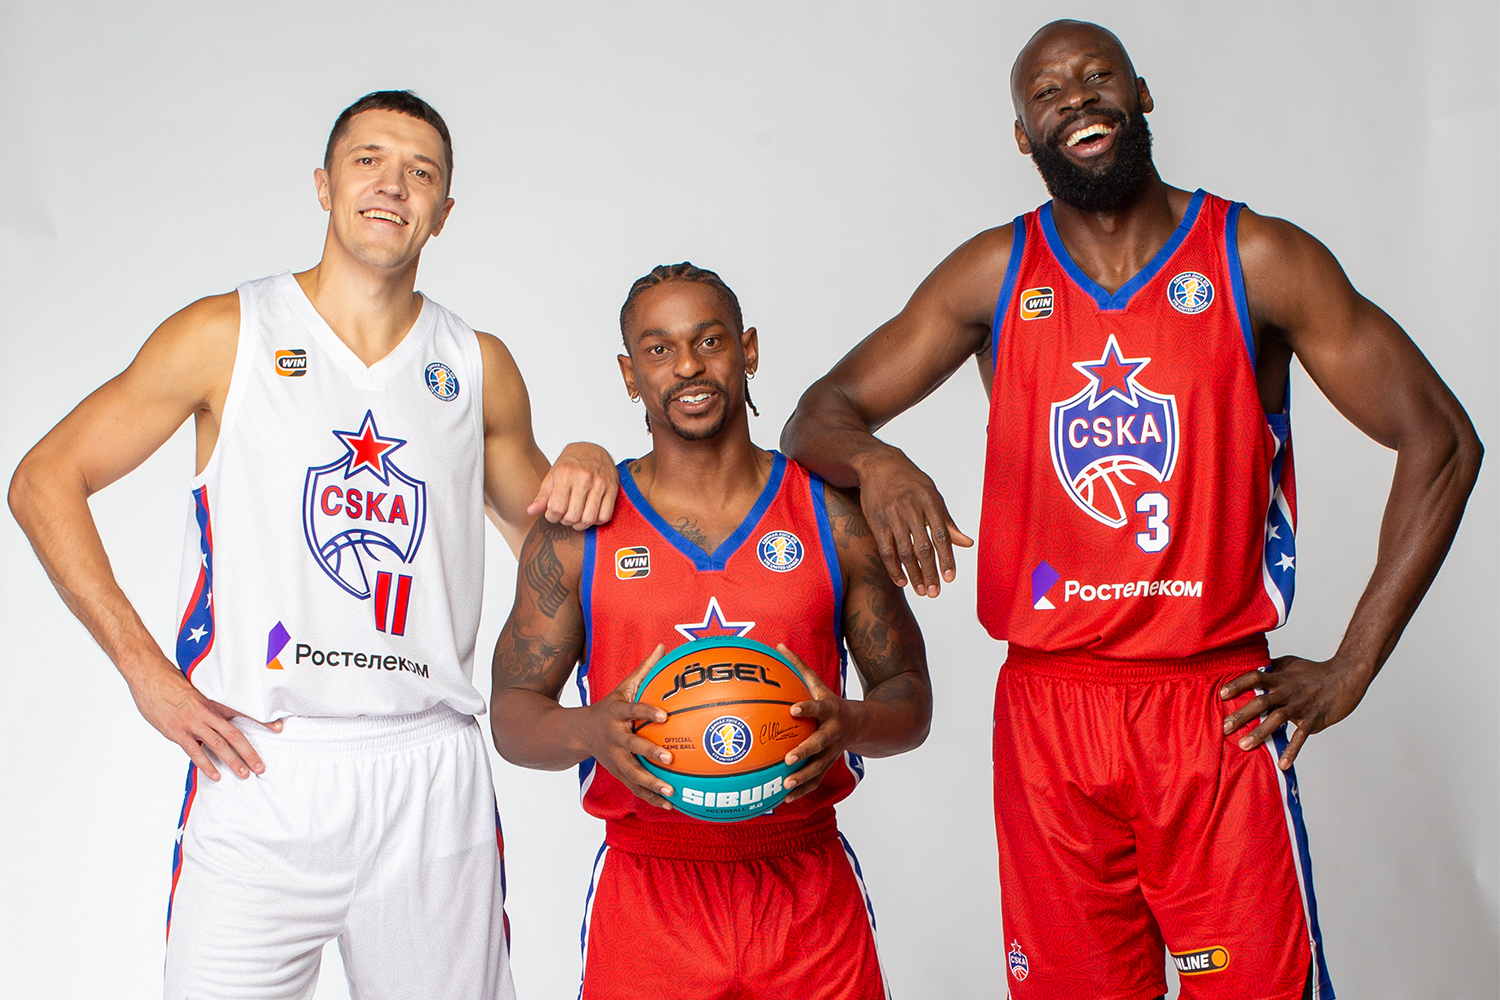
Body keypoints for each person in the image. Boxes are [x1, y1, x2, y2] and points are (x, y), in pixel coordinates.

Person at [781, 21, 1482, 1000]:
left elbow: (1441, 439)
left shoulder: (1258, 258)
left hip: (1211, 705)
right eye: (1047, 92)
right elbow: (816, 413)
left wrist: (1353, 664)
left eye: (1096, 75)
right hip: (1049, 712)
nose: (1076, 97)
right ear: (1022, 136)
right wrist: (878, 460)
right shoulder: (994, 274)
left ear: (1141, 92)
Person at [8, 90, 619, 999]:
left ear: (444, 212)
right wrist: (144, 670)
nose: (392, 185)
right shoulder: (228, 333)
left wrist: (591, 459)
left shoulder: (475, 363)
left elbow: (550, 545)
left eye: (420, 172)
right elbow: (43, 480)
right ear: (325, 187)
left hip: (429, 771)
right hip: (262, 762)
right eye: (368, 160)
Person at [489, 262, 931, 1000]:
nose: (688, 366)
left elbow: (910, 696)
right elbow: (511, 712)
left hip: (805, 884)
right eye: (659, 350)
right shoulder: (579, 531)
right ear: (630, 376)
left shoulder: (831, 515)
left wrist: (850, 722)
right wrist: (588, 730)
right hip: (649, 886)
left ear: (748, 350)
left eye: (710, 340)